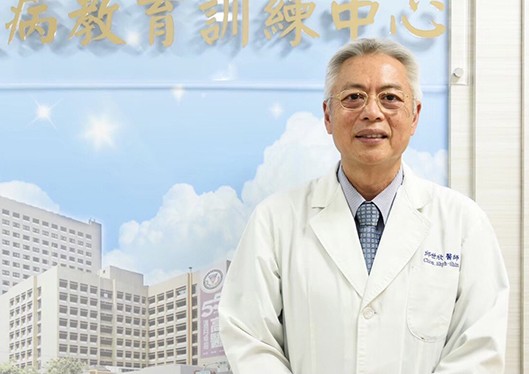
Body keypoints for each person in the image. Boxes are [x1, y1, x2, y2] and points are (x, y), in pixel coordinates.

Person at [218, 37, 509, 374]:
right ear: (328, 116)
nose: (372, 112)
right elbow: (250, 339)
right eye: (353, 97)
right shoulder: (274, 220)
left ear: (414, 116)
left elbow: (477, 349)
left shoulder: (463, 223)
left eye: (390, 98)